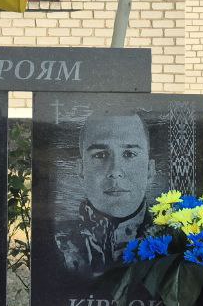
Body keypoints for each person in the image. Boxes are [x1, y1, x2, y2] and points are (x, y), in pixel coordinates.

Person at [57, 112, 156, 275]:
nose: (115, 171)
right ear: (81, 170)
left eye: (129, 154)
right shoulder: (55, 241)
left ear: (149, 170)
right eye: (100, 155)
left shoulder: (175, 239)